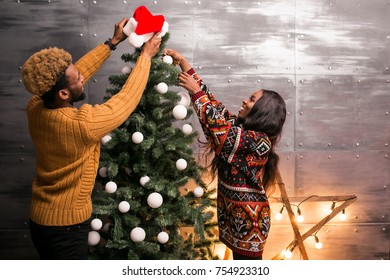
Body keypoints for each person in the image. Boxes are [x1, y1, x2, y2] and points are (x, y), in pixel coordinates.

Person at [21, 18, 161, 260]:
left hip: (40, 221)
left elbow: (76, 73)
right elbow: (123, 102)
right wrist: (145, 57)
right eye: (77, 79)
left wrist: (112, 42)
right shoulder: (80, 125)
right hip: (65, 228)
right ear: (63, 93)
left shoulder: (36, 106)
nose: (82, 77)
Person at [164, 49, 286, 260]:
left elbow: (217, 128)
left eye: (251, 99)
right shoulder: (241, 130)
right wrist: (183, 62)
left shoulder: (260, 141)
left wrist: (195, 92)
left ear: (262, 110)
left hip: (251, 224)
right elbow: (214, 108)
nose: (245, 101)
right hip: (234, 217)